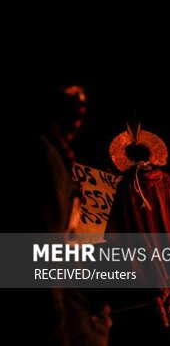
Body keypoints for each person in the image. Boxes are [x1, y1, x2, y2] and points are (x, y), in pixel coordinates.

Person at [7, 83, 111, 345]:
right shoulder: (42, 155)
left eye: (83, 99)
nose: (81, 108)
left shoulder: (56, 152)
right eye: (73, 97)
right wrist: (57, 323)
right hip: (62, 312)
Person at [105, 125, 170, 331]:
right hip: (168, 241)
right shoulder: (164, 180)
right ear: (151, 156)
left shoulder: (126, 186)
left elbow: (118, 219)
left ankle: (160, 308)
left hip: (142, 243)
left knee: (151, 276)